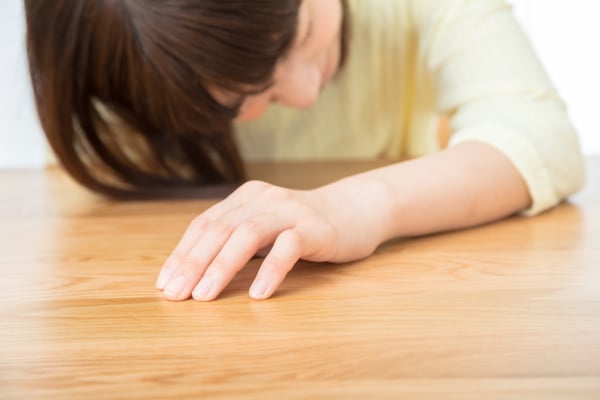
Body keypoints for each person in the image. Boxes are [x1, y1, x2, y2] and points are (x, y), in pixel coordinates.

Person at [24, 0, 585, 301]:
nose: (305, 92)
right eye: (245, 97)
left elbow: (542, 138)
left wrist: (357, 207)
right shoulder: (132, 71)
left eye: (304, 29)